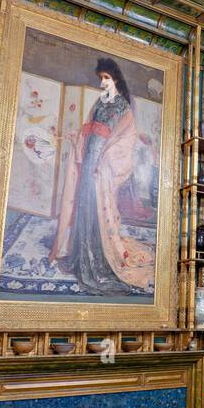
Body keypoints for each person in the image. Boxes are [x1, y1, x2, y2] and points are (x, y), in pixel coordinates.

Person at [49, 58, 154, 293]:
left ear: (115, 78)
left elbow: (126, 138)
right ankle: (81, 253)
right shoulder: (98, 103)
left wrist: (106, 157)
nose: (102, 82)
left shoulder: (122, 106)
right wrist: (75, 136)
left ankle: (98, 258)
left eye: (106, 78)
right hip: (89, 157)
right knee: (84, 203)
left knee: (96, 205)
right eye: (100, 78)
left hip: (103, 161)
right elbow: (89, 129)